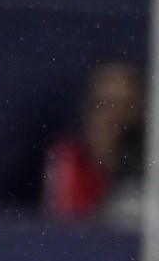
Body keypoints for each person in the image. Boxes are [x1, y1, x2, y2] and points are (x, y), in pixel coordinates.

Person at [41, 58, 144, 225]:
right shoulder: (70, 159)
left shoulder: (158, 165)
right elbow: (67, 229)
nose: (115, 117)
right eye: (106, 105)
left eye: (125, 106)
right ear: (88, 109)